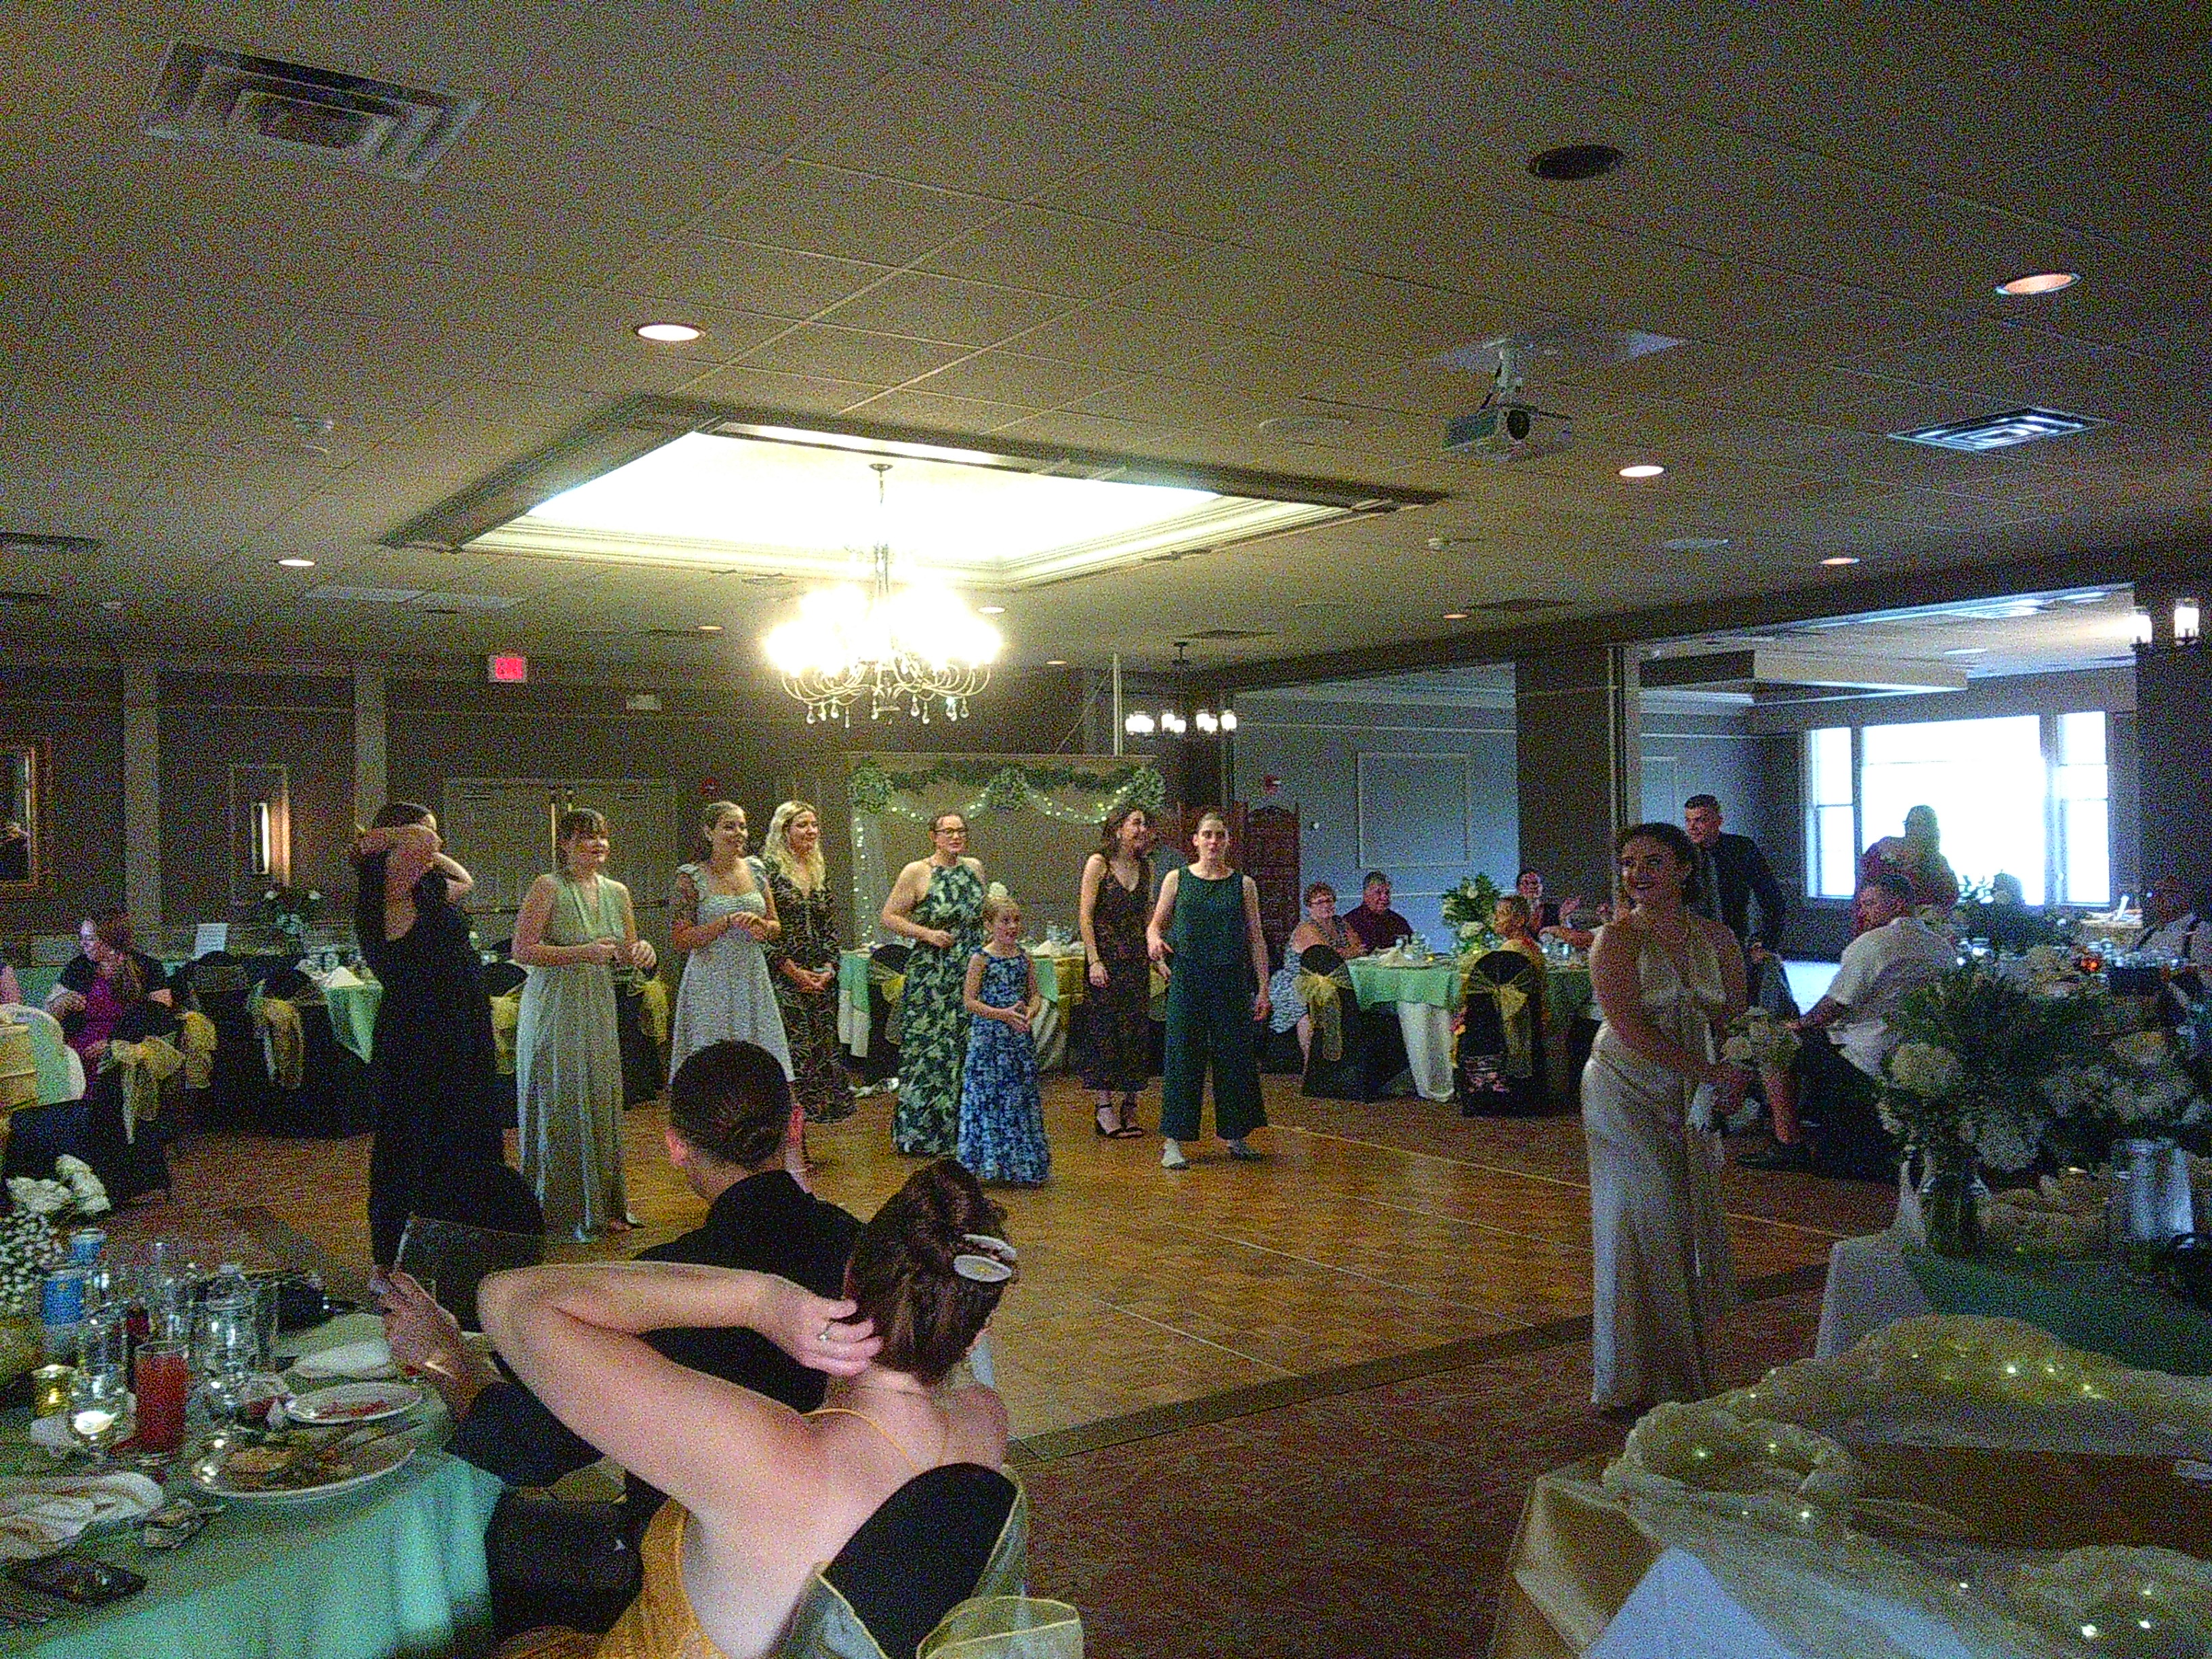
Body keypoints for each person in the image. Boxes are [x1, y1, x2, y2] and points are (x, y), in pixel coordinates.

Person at [480, 1160, 1025, 1659]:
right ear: (975, 1335)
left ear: (848, 1279)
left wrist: (756, 1301)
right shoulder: (986, 1421)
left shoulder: (756, 1455)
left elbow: (509, 1299)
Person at [383, 1042, 861, 1602]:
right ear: (796, 1126)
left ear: (677, 1145)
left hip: (692, 1580)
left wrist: (444, 1358)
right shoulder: (866, 1250)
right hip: (841, 1569)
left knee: (463, 1543)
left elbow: (526, 1448)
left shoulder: (661, 1288)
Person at [1582, 821, 1749, 1417]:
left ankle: (1687, 1369)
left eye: (1653, 862)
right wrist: (1708, 1073)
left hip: (1690, 1090)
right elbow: (1628, 1025)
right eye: (1629, 863)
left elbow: (1735, 1019)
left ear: (1683, 869)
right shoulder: (1615, 940)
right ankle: (1630, 1375)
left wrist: (1735, 1073)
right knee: (1640, 1214)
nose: (1637, 874)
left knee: (1683, 1216)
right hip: (1624, 1089)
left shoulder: (1719, 938)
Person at [352, 803, 507, 1269]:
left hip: (462, 1032)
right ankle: (406, 1259)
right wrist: (398, 836)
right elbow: (426, 846)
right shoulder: (388, 893)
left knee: (468, 1138)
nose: (432, 847)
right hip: (422, 1037)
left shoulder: (426, 892)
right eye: (421, 838)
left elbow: (467, 881)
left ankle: (466, 1249)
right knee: (417, 1146)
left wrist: (417, 844)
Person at [512, 808, 657, 1241]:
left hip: (597, 1007)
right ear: (565, 845)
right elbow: (522, 949)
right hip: (555, 1006)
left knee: (598, 1096)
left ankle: (605, 1204)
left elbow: (628, 951)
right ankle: (558, 1211)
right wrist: (583, 953)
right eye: (585, 838)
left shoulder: (618, 892)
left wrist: (644, 951)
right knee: (561, 1096)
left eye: (601, 838)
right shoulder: (548, 887)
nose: (596, 845)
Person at [1770, 870, 1956, 1178]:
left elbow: (1833, 1006)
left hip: (1864, 1054)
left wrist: (1796, 1025)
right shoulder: (1942, 949)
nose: (1862, 912)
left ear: (1896, 904)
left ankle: (1788, 1142)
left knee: (1772, 1045)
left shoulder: (1873, 944)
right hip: (1918, 1055)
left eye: (1869, 904)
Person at [1147, 810, 1271, 1171]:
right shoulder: (1176, 879)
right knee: (1183, 1057)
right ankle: (1173, 1141)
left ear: (1228, 841)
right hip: (1188, 979)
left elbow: (1256, 938)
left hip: (1232, 981)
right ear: (1196, 841)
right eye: (1207, 835)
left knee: (1235, 1057)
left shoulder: (1244, 884)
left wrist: (1263, 987)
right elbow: (1155, 926)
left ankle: (1237, 1134)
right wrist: (1155, 942)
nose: (1213, 841)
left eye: (1219, 835)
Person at [881, 812, 986, 1158]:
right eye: (948, 832)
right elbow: (889, 916)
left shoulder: (974, 868)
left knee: (967, 1048)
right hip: (934, 974)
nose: (956, 837)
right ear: (934, 836)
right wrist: (927, 933)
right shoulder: (917, 872)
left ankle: (965, 1131)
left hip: (970, 970)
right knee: (932, 1050)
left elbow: (980, 914)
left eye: (961, 831)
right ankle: (924, 1133)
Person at [668, 802, 791, 1089]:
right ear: (709, 832)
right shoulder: (690, 877)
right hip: (710, 976)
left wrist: (762, 927)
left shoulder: (756, 870)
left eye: (742, 826)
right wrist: (724, 923)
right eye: (729, 826)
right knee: (713, 1057)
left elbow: (776, 926)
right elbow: (680, 939)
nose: (739, 833)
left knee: (756, 1052)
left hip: (751, 972)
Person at [761, 801, 851, 1128]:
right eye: (802, 825)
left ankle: (814, 1123)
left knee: (824, 1047)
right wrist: (792, 971)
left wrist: (829, 966)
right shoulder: (767, 871)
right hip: (785, 975)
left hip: (821, 974)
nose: (811, 831)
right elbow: (765, 931)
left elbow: (829, 925)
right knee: (794, 1052)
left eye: (814, 825)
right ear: (784, 830)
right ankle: (791, 1131)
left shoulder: (818, 869)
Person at [957, 894, 1048, 1187]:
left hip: (1017, 1038)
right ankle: (987, 1162)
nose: (1012, 927)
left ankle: (1020, 1164)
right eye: (1004, 921)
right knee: (988, 1099)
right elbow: (969, 1001)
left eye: (1016, 920)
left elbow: (1034, 993)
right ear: (989, 925)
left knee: (1018, 1099)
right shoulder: (980, 958)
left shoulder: (1024, 957)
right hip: (989, 1040)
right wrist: (1001, 1014)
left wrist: (1030, 1012)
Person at [1076, 804, 1153, 1139]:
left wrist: (1156, 955)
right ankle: (1104, 1107)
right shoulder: (1099, 864)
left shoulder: (1146, 867)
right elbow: (1085, 915)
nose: (1141, 829)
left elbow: (1148, 916)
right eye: (1136, 823)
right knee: (1103, 1032)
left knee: (1135, 1034)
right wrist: (1094, 959)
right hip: (1105, 960)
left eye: (1145, 824)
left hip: (1135, 961)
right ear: (1118, 828)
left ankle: (1131, 1105)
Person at [1681, 796, 1790, 969]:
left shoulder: (1741, 849)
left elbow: (1772, 898)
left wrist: (1767, 944)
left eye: (1700, 820)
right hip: (1691, 942)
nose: (1692, 827)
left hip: (1735, 938)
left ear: (1719, 821)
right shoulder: (1682, 855)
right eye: (1688, 821)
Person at [1267, 881, 1364, 1065]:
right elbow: (1326, 957)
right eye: (1319, 902)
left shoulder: (1340, 923)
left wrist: (1349, 952)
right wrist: (1350, 952)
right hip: (1297, 979)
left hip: (1333, 977)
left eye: (1329, 900)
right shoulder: (1307, 928)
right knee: (1307, 1008)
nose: (1326, 905)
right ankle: (1309, 1065)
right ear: (1309, 907)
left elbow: (1359, 946)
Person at [45, 909, 174, 1025]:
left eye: (90, 939)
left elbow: (161, 1015)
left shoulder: (148, 966)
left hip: (129, 1042)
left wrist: (113, 1042)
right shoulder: (78, 967)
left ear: (110, 940)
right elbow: (47, 1016)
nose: (83, 944)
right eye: (82, 938)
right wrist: (61, 1003)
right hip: (80, 1040)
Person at [1858, 804, 1959, 916]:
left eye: (1920, 824)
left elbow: (1950, 895)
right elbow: (1865, 873)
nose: (1913, 828)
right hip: (1874, 912)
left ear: (1930, 829)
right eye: (1910, 823)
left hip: (1915, 918)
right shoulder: (1886, 845)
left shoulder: (1937, 861)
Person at [2133, 874, 2211, 968]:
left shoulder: (2202, 931)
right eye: (2155, 893)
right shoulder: (2148, 933)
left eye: (2165, 892)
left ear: (2184, 896)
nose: (2158, 898)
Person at [1342, 870, 1414, 954]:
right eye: (1378, 893)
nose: (1384, 897)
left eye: (1387, 893)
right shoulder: (1350, 921)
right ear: (1365, 895)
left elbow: (1411, 949)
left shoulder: (1398, 921)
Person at [1491, 894, 1547, 970]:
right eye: (1496, 913)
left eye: (1502, 914)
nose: (1496, 919)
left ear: (1520, 921)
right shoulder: (1530, 944)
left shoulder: (1513, 947)